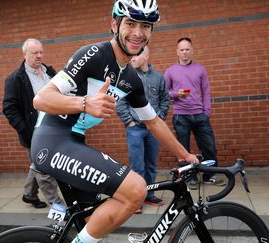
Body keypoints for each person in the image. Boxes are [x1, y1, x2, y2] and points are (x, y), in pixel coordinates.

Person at [30, 1, 198, 242]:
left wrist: (187, 155)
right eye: (130, 23)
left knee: (95, 224)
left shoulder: (131, 78)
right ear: (114, 24)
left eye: (146, 26)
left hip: (74, 142)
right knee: (136, 190)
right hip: (53, 141)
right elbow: (41, 98)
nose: (138, 33)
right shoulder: (93, 55)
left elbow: (154, 122)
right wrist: (85, 103)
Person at [3, 38, 63, 207]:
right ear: (25, 54)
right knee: (44, 170)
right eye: (34, 53)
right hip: (34, 133)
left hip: (55, 129)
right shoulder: (16, 79)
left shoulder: (51, 73)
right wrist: (26, 131)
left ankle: (29, 194)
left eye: (41, 52)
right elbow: (9, 109)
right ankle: (57, 206)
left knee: (38, 164)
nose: (39, 56)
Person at [164, 37, 225, 190]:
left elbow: (206, 91)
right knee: (183, 149)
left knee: (209, 147)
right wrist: (177, 94)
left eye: (187, 49)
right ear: (177, 52)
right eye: (182, 49)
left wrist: (207, 112)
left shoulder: (200, 69)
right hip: (180, 115)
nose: (184, 52)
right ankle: (189, 177)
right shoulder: (170, 71)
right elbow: (164, 93)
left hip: (200, 115)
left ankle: (209, 176)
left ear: (192, 51)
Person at [116, 46, 169, 214]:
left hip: (153, 130)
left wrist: (158, 119)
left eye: (137, 55)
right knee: (137, 166)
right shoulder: (126, 77)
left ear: (146, 57)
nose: (133, 57)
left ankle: (150, 194)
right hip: (135, 129)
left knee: (151, 165)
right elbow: (119, 102)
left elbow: (164, 100)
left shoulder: (159, 78)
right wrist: (129, 121)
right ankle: (137, 198)